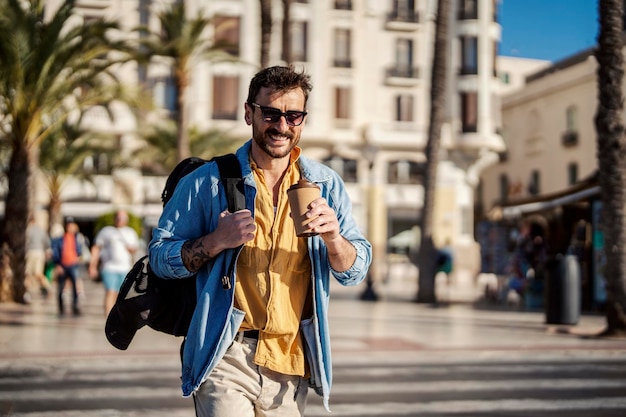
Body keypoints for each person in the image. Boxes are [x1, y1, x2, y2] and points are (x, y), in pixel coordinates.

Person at [149, 65, 372, 416]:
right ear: (249, 112)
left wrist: (333, 238)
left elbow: (355, 271)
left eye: (293, 116)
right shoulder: (207, 182)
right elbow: (160, 257)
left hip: (291, 361)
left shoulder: (325, 184)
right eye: (271, 113)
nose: (282, 126)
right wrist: (214, 242)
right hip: (227, 352)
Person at [89, 209, 139, 316]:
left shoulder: (130, 232)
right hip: (109, 267)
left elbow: (135, 249)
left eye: (123, 218)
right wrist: (92, 266)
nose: (120, 220)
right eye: (118, 217)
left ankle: (116, 316)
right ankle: (108, 316)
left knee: (120, 294)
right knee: (111, 291)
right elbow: (96, 248)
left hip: (125, 268)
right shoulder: (106, 231)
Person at [51, 217, 83, 316]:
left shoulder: (77, 238)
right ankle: (61, 307)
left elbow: (79, 251)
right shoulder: (60, 239)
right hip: (63, 265)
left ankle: (75, 306)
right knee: (61, 287)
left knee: (75, 287)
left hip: (73, 265)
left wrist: (78, 257)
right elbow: (55, 252)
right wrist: (57, 264)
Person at [25, 216, 52, 301]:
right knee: (38, 273)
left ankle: (26, 293)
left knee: (27, 273)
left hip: (31, 252)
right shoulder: (41, 230)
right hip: (40, 253)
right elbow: (47, 242)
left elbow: (26, 242)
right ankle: (48, 287)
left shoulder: (28, 230)